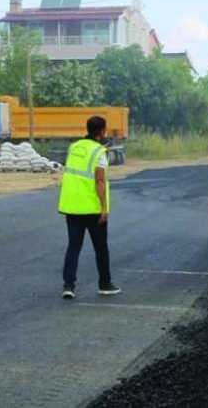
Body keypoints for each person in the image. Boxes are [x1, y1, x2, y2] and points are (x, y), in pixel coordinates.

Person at [58, 116, 120, 299]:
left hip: (72, 206)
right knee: (101, 248)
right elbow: (100, 181)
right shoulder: (99, 152)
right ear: (102, 131)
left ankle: (68, 286)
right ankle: (105, 284)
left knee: (73, 247)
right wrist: (104, 208)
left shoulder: (74, 147)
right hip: (92, 208)